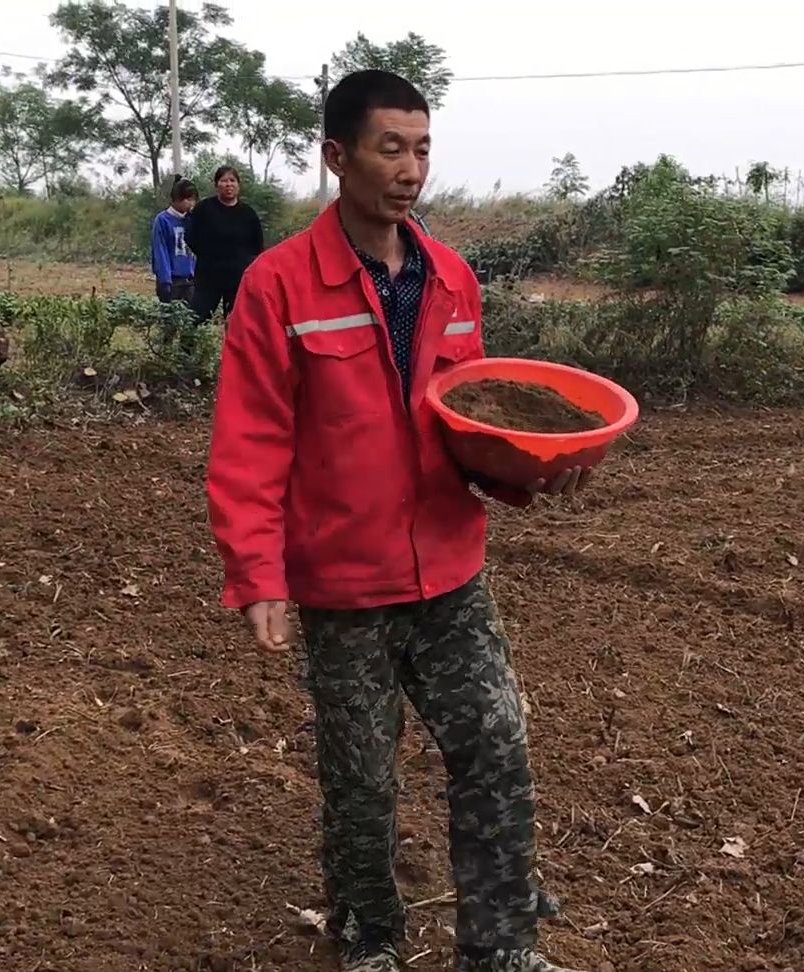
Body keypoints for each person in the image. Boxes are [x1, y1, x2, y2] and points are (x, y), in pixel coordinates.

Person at [206, 69, 589, 972]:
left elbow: (472, 419)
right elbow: (251, 437)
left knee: (494, 743)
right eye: (390, 147)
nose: (410, 168)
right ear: (337, 156)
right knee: (361, 781)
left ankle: (500, 947)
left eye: (421, 148)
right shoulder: (278, 287)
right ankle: (371, 940)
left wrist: (529, 472)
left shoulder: (451, 277)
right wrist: (256, 572)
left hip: (450, 571)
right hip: (344, 585)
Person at [184, 165, 263, 322]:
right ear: (216, 185)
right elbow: (190, 236)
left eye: (232, 180)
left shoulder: (248, 214)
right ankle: (188, 347)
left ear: (238, 185)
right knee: (196, 318)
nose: (229, 185)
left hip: (238, 277)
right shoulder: (204, 209)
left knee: (237, 322)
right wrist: (207, 254)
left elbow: (257, 245)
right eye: (224, 181)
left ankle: (233, 347)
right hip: (208, 275)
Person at [151, 177, 198, 304]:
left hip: (190, 280)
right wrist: (165, 280)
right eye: (188, 199)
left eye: (193, 200)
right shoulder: (162, 220)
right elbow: (160, 251)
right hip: (172, 281)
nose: (191, 203)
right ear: (177, 199)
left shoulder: (191, 220)